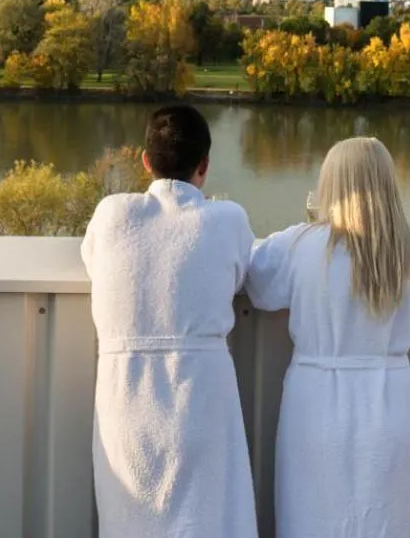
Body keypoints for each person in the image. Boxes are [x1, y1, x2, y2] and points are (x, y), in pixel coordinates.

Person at [80, 104, 259, 538]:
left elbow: (92, 263)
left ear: (145, 161)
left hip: (127, 404)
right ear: (205, 165)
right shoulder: (226, 219)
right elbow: (241, 273)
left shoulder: (111, 215)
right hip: (199, 401)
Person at [246, 136, 410, 538]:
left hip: (317, 405)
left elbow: (260, 291)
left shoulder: (298, 245)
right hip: (392, 405)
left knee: (315, 522)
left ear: (331, 184)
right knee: (392, 522)